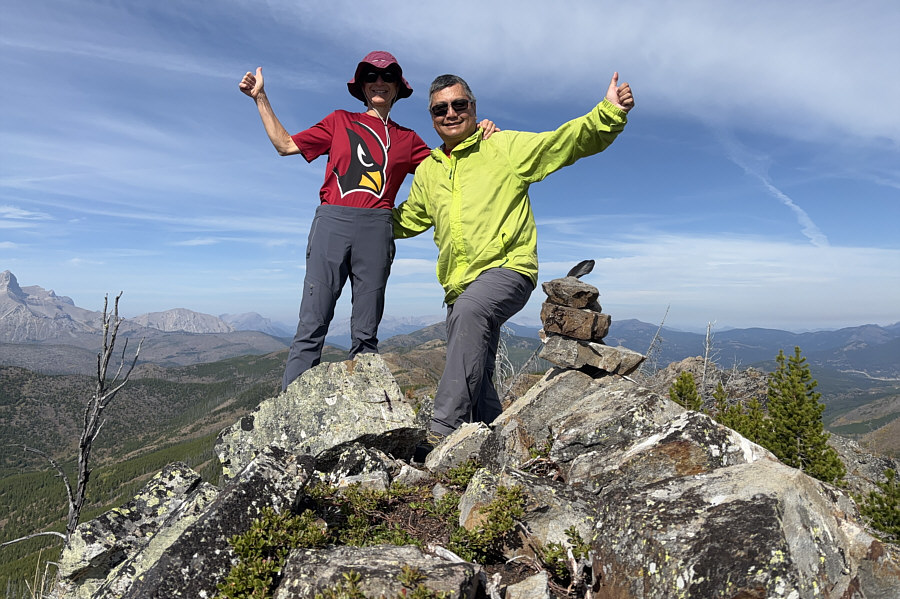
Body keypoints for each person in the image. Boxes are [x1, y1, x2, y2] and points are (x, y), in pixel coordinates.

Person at [392, 71, 634, 457]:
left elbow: (563, 143)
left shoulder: (502, 146)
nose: (450, 113)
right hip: (459, 284)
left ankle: (440, 434)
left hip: (509, 269)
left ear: (473, 108)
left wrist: (608, 113)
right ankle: (491, 437)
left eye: (459, 104)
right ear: (432, 115)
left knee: (470, 316)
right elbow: (407, 219)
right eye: (440, 108)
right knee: (476, 361)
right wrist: (361, 218)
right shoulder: (429, 172)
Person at [240, 52, 497, 391]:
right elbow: (285, 145)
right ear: (362, 86)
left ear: (396, 88)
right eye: (371, 76)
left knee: (366, 332)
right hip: (332, 221)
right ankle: (290, 412)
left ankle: (368, 414)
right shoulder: (339, 121)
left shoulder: (408, 140)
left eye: (387, 76)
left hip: (378, 228)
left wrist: (480, 131)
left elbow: (449, 163)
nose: (379, 81)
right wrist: (260, 98)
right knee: (312, 323)